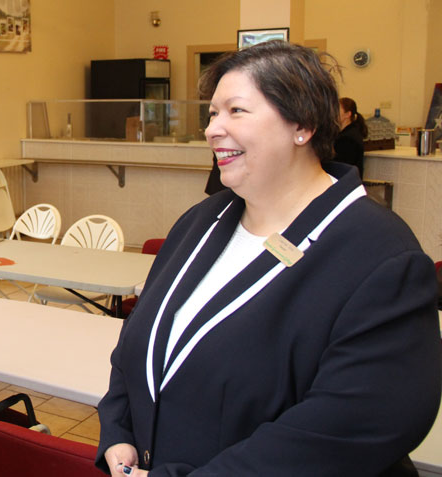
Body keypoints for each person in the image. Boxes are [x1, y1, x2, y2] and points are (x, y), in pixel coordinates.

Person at [97, 41, 440, 476]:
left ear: (304, 124)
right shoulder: (200, 223)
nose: (212, 129)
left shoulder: (382, 256)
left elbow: (349, 427)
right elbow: (138, 344)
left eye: (235, 111)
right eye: (211, 114)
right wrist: (118, 430)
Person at [332, 96, 368, 177]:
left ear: (347, 114)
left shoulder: (348, 138)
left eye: (337, 109)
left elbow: (340, 166)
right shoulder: (347, 133)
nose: (333, 113)